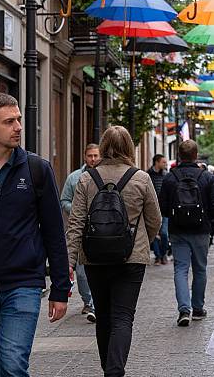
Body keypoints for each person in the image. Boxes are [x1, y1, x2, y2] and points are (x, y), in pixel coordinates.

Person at [0, 93, 70, 377]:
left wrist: (60, 288)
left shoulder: (36, 169)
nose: (18, 127)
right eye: (9, 122)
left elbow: (55, 233)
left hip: (23, 285)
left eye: (19, 120)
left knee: (13, 364)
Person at [66, 126, 161, 377]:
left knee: (104, 315)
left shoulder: (88, 178)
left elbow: (75, 222)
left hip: (95, 258)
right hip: (131, 259)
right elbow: (155, 220)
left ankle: (107, 368)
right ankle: (114, 371)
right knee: (123, 317)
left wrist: (69, 260)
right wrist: (140, 242)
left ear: (103, 146)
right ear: (129, 147)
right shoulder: (141, 178)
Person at [159, 140, 214, 327]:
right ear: (196, 155)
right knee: (200, 269)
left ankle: (184, 309)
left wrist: (176, 216)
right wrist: (208, 220)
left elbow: (162, 207)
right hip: (201, 230)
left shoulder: (171, 178)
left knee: (181, 269)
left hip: (178, 230)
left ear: (179, 154)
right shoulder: (206, 177)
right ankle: (198, 308)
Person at [60, 143, 100, 322]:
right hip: (80, 229)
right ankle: (89, 302)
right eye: (90, 155)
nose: (93, 159)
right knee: (81, 270)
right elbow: (64, 200)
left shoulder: (104, 176)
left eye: (96, 156)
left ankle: (97, 302)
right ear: (85, 156)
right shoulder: (74, 177)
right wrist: (77, 210)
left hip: (100, 231)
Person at [147, 154, 169, 265]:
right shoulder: (148, 175)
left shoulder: (166, 175)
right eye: (163, 162)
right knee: (154, 233)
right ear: (157, 162)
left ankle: (164, 253)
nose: (165, 164)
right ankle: (158, 256)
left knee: (164, 233)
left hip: (164, 209)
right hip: (151, 209)